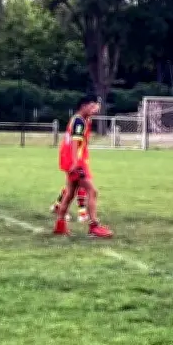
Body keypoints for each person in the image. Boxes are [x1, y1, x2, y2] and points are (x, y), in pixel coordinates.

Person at [53, 95, 113, 238]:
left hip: (70, 161)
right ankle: (94, 226)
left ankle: (60, 225)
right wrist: (75, 162)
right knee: (92, 191)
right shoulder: (79, 121)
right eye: (92, 106)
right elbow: (75, 142)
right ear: (83, 106)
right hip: (76, 163)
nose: (95, 109)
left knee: (70, 193)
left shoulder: (81, 119)